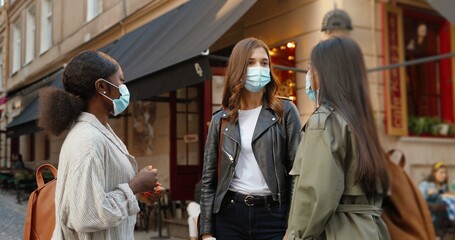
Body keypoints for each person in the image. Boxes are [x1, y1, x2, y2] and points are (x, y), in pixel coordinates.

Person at [38, 50, 163, 239]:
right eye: (120, 80)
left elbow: (99, 193)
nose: (123, 87)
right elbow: (86, 216)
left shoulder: (98, 132)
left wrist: (139, 193)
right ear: (103, 87)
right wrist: (134, 186)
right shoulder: (88, 139)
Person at [286, 37, 390, 240]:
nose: (308, 74)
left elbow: (315, 195)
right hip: (371, 231)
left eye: (310, 67)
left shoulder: (324, 122)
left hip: (336, 231)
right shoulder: (362, 123)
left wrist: (295, 236)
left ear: (324, 72)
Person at [199, 37, 302, 240]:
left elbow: (297, 174)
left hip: (274, 217)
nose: (259, 68)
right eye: (251, 62)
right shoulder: (221, 119)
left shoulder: (285, 111)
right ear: (239, 68)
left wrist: (293, 227)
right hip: (229, 216)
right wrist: (206, 232)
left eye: (264, 63)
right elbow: (209, 180)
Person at [419, 161, 452, 232]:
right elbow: (419, 200)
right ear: (434, 173)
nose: (444, 175)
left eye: (445, 173)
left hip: (444, 219)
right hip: (431, 220)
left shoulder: (444, 187)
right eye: (441, 172)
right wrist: (427, 194)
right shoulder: (425, 185)